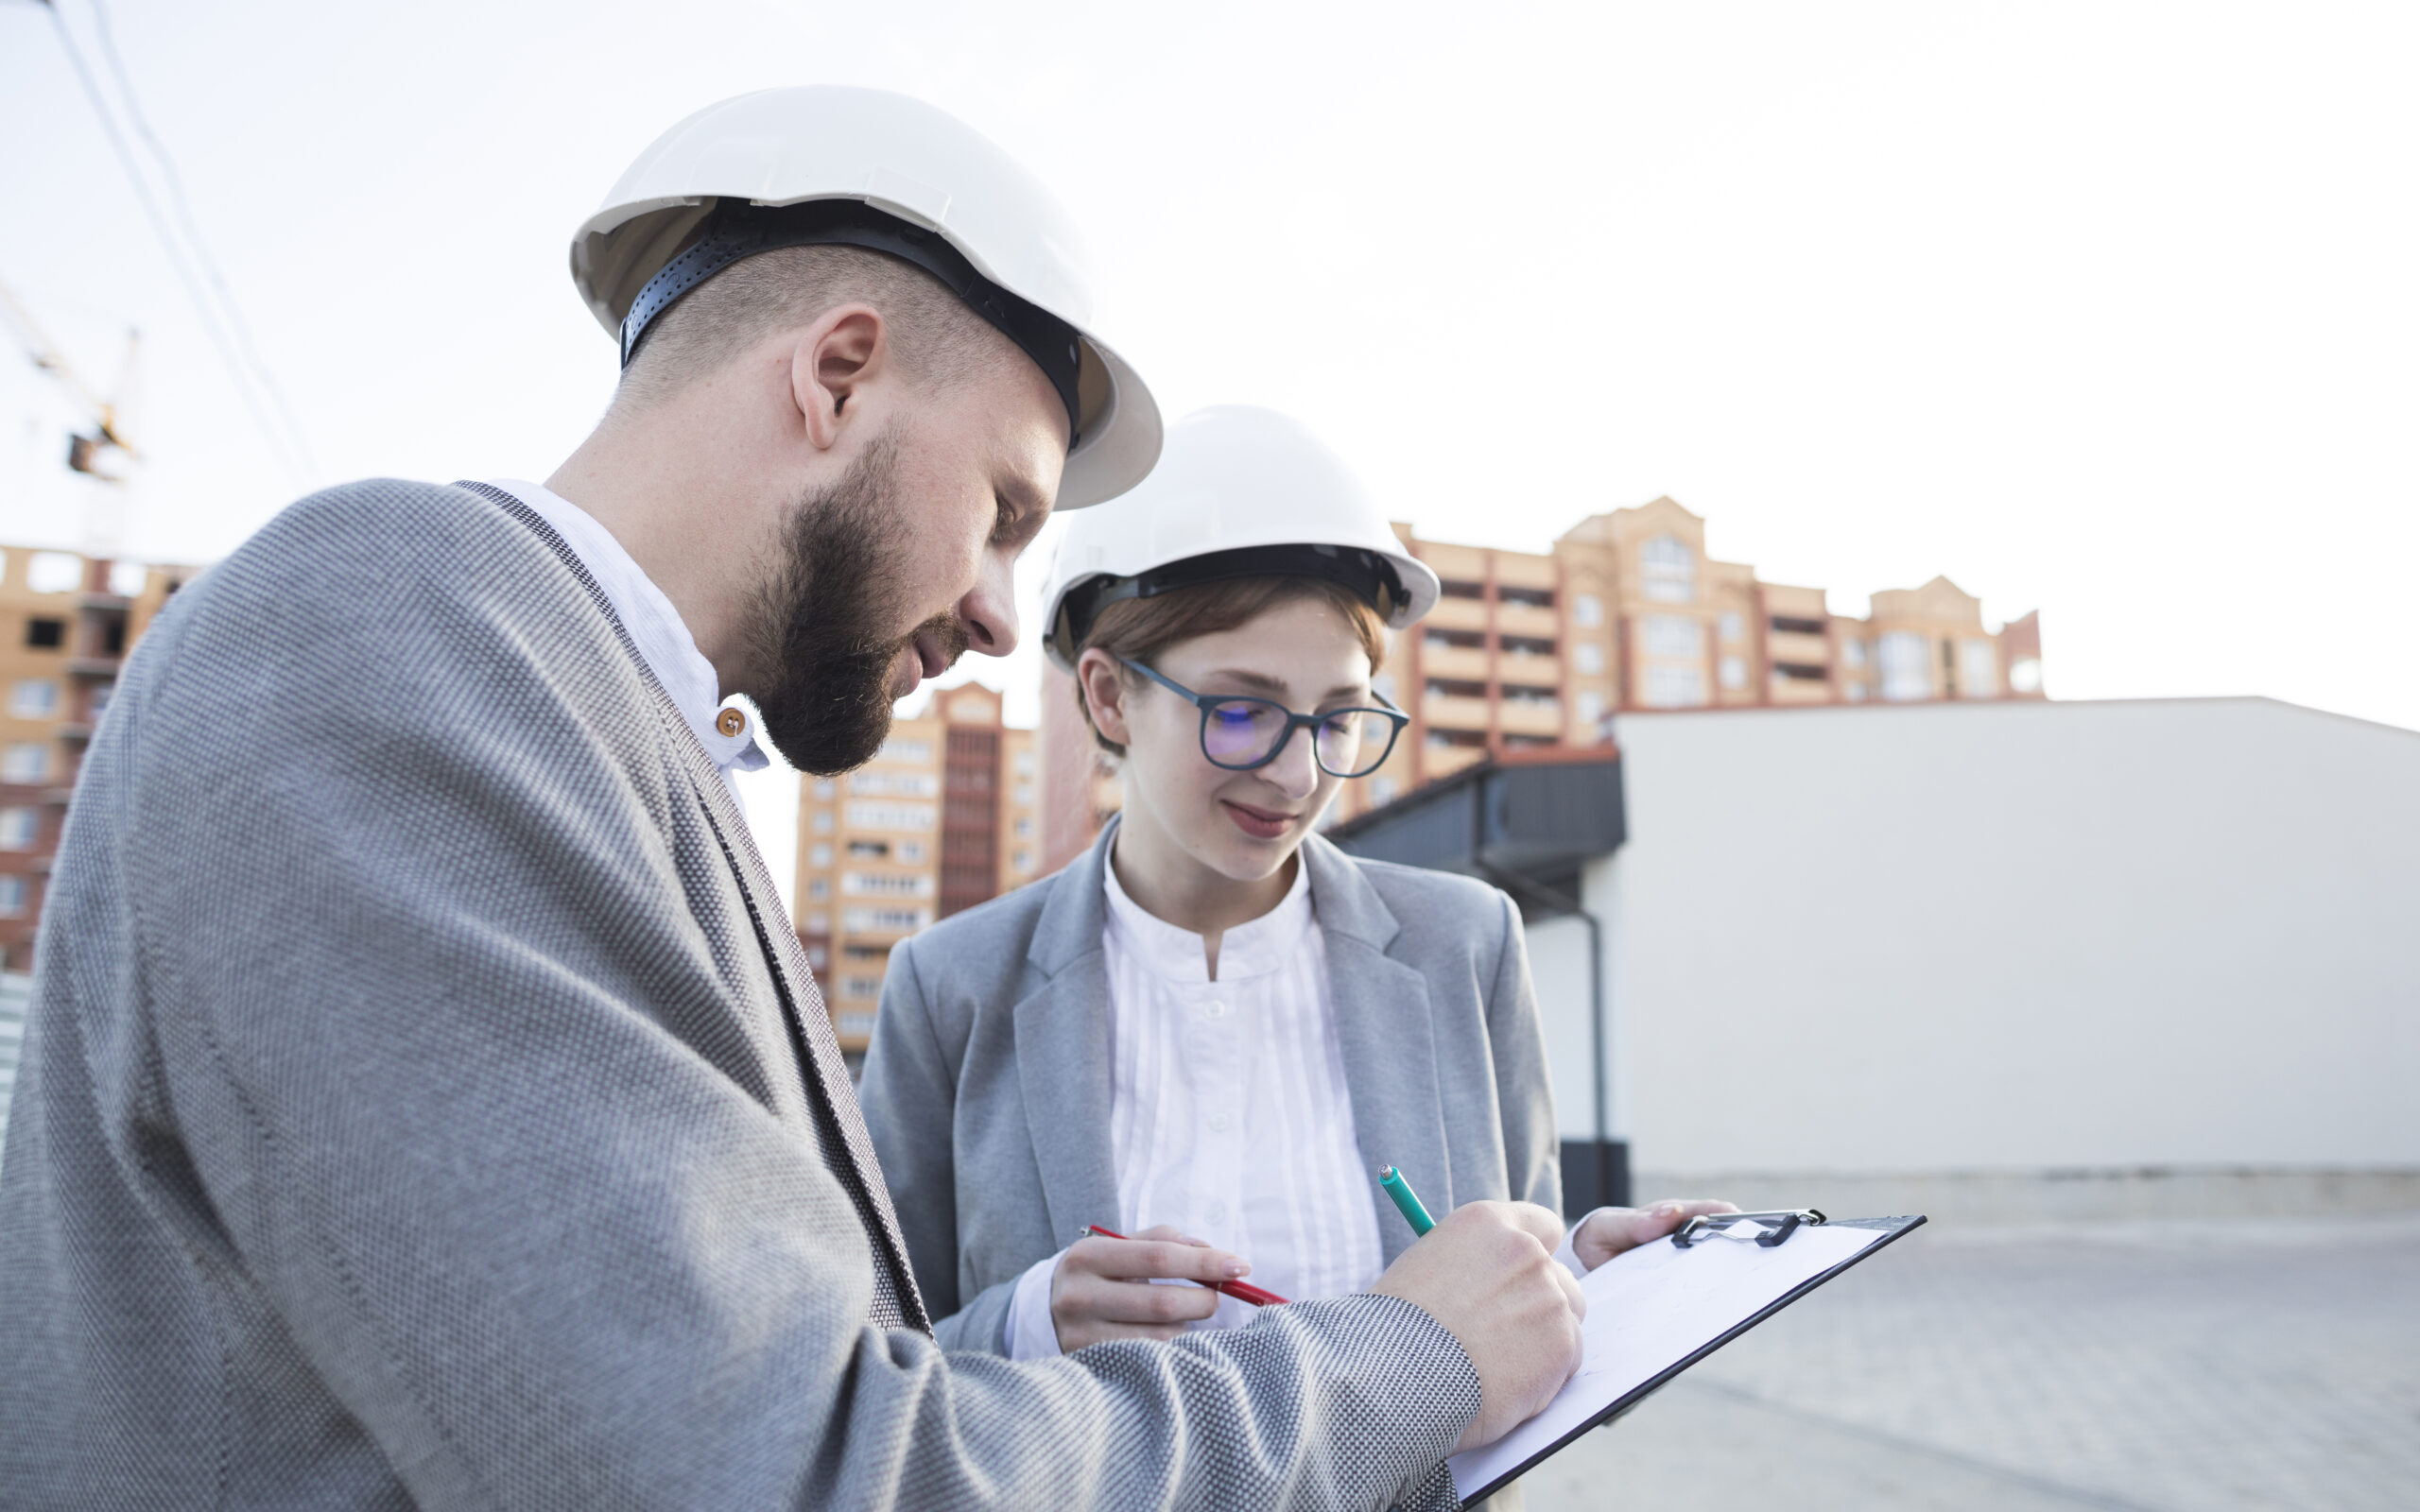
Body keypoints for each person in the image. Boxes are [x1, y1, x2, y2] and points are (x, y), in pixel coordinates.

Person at [0, 89, 1587, 1510]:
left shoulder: (596, 733)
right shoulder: (382, 636)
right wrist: (1403, 1355)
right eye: (1004, 510)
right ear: (837, 376)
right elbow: (800, 1471)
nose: (992, 612)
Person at [857, 411, 1735, 1500]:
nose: (1296, 775)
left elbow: (1516, 1290)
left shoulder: (1466, 945)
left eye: (1337, 716)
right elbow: (863, 1384)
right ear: (1106, 694)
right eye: (1241, 711)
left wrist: (1588, 1284)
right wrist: (1022, 1320)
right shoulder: (953, 986)